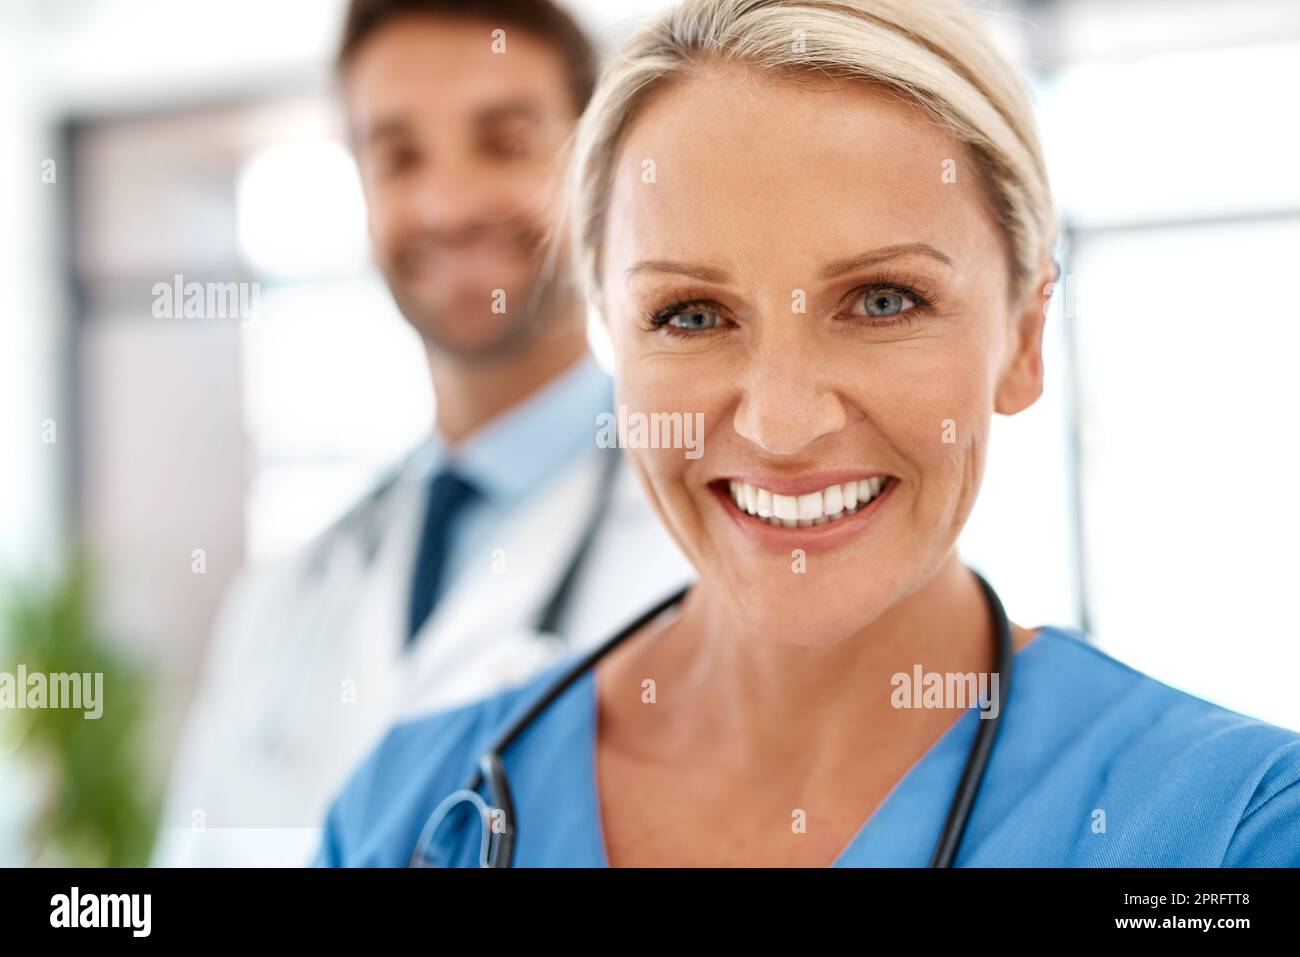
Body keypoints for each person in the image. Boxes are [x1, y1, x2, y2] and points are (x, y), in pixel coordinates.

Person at [314, 0, 1300, 867]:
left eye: (881, 299)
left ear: (1025, 338)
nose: (781, 426)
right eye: (691, 315)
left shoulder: (1233, 827)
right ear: (611, 339)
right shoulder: (405, 813)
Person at [153, 0, 692, 867]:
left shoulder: (707, 559)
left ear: (600, 167)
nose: (448, 204)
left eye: (505, 141)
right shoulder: (286, 597)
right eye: (399, 156)